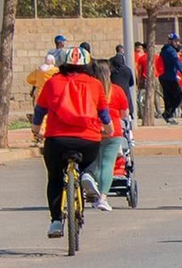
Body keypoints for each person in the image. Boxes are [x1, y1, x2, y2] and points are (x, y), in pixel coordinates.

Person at [32, 46, 110, 238]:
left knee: (55, 178)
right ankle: (88, 175)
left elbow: (40, 110)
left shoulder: (52, 83)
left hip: (57, 139)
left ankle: (56, 221)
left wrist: (35, 129)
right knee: (93, 157)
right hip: (88, 138)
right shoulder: (95, 84)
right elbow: (103, 113)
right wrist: (109, 129)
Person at [87, 58, 132, 211]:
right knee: (108, 165)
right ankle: (103, 197)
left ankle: (91, 185)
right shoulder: (117, 90)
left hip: (92, 130)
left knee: (95, 163)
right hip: (113, 131)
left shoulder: (90, 90)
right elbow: (124, 113)